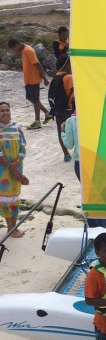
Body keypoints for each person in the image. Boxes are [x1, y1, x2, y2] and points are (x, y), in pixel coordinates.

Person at [62, 112, 106, 229]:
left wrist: (62, 132)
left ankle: (93, 227)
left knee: (88, 196)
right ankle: (103, 227)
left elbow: (69, 144)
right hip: (99, 161)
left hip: (81, 163)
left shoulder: (71, 121)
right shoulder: (99, 115)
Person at [7, 38, 52, 130]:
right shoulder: (24, 50)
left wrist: (44, 78)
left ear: (16, 45)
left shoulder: (28, 50)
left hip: (33, 80)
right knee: (30, 98)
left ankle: (37, 122)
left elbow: (38, 64)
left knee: (35, 100)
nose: (14, 51)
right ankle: (48, 113)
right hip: (28, 80)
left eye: (13, 49)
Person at [0, 101, 29, 238]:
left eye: (7, 110)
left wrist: (18, 162)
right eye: (2, 111)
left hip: (17, 167)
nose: (5, 112)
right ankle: (10, 228)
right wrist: (12, 168)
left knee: (15, 197)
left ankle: (15, 227)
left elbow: (23, 147)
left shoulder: (17, 128)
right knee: (5, 199)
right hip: (3, 171)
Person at [49, 55, 74, 162]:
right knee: (75, 131)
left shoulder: (55, 77)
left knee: (61, 131)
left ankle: (66, 154)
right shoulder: (69, 77)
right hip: (69, 110)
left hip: (58, 110)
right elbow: (73, 95)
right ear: (67, 64)